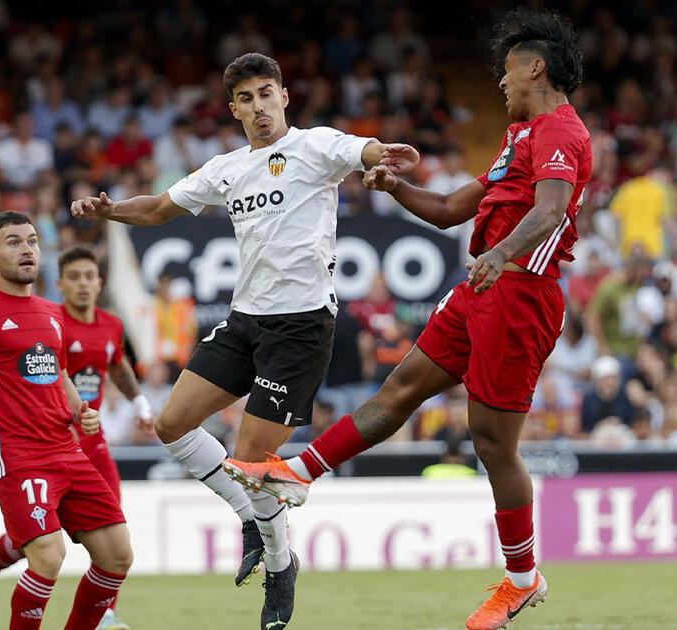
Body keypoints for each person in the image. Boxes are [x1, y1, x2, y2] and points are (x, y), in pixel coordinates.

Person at [221, 10, 590, 630]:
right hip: (484, 286)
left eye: (506, 72)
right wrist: (392, 187)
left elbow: (551, 210)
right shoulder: (520, 138)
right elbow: (448, 209)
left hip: (521, 292)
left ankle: (522, 580)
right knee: (402, 388)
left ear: (535, 67)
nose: (500, 84)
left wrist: (500, 253)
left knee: (493, 443)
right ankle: (298, 473)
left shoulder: (560, 133)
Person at [69, 52, 420, 626]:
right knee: (171, 423)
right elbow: (158, 207)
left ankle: (281, 566)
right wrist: (110, 211)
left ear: (284, 96)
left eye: (266, 93)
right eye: (247, 99)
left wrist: (386, 153)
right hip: (245, 320)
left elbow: (361, 149)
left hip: (302, 327)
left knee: (251, 459)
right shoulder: (227, 168)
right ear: (234, 109)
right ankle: (250, 518)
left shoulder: (315, 147)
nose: (259, 107)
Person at [0, 212, 133, 630]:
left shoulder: (52, 311)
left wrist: (79, 411)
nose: (28, 248)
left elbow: (60, 372)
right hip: (18, 456)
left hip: (68, 451)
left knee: (118, 555)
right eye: (14, 242)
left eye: (32, 240)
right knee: (49, 556)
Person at [0, 245, 152, 630]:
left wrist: (140, 405)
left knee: (113, 538)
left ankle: (107, 614)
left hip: (92, 442)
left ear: (100, 283)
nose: (84, 285)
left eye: (90, 277)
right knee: (39, 544)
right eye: (75, 277)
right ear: (61, 284)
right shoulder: (49, 321)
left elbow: (118, 367)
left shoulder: (111, 325)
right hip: (47, 442)